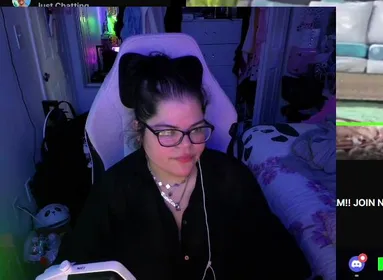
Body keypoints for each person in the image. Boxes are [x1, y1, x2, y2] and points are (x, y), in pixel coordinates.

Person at [57, 52, 313, 280]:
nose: (187, 146)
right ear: (139, 130)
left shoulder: (232, 178)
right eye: (168, 132)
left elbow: (281, 259)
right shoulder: (114, 191)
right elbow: (72, 266)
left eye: (197, 129)